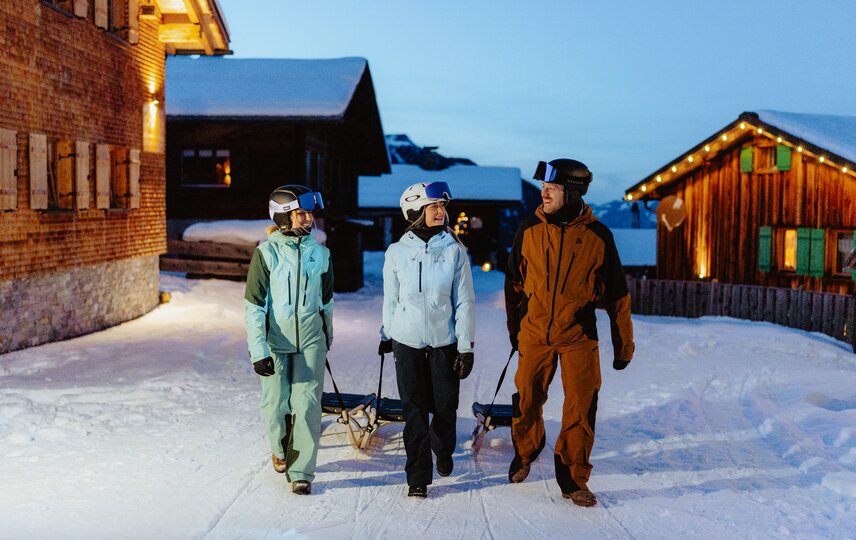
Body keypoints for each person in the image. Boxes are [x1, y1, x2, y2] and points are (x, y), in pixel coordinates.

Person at [504, 159, 634, 507]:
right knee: (527, 398)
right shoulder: (529, 228)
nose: (543, 192)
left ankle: (573, 476)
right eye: (544, 187)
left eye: (553, 188)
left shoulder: (598, 237)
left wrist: (624, 345)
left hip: (578, 334)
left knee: (581, 406)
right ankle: (526, 450)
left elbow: (618, 296)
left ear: (572, 192)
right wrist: (515, 329)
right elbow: (514, 284)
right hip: (534, 332)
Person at [378, 181, 476, 498]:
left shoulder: (454, 252)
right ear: (416, 211)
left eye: (442, 206)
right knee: (414, 411)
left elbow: (465, 302)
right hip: (407, 343)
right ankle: (418, 475)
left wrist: (465, 346)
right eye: (434, 206)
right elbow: (390, 299)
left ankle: (444, 449)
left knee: (446, 407)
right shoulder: (396, 253)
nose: (441, 212)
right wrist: (387, 333)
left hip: (444, 343)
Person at [244, 184, 333, 496]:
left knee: (307, 405)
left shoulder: (321, 254)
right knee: (275, 406)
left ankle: (302, 472)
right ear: (282, 216)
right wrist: (258, 350)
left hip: (311, 341)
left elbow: (326, 301)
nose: (309, 219)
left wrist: (326, 336)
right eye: (301, 213)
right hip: (274, 341)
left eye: (310, 214)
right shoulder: (266, 254)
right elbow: (254, 306)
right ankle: (280, 451)